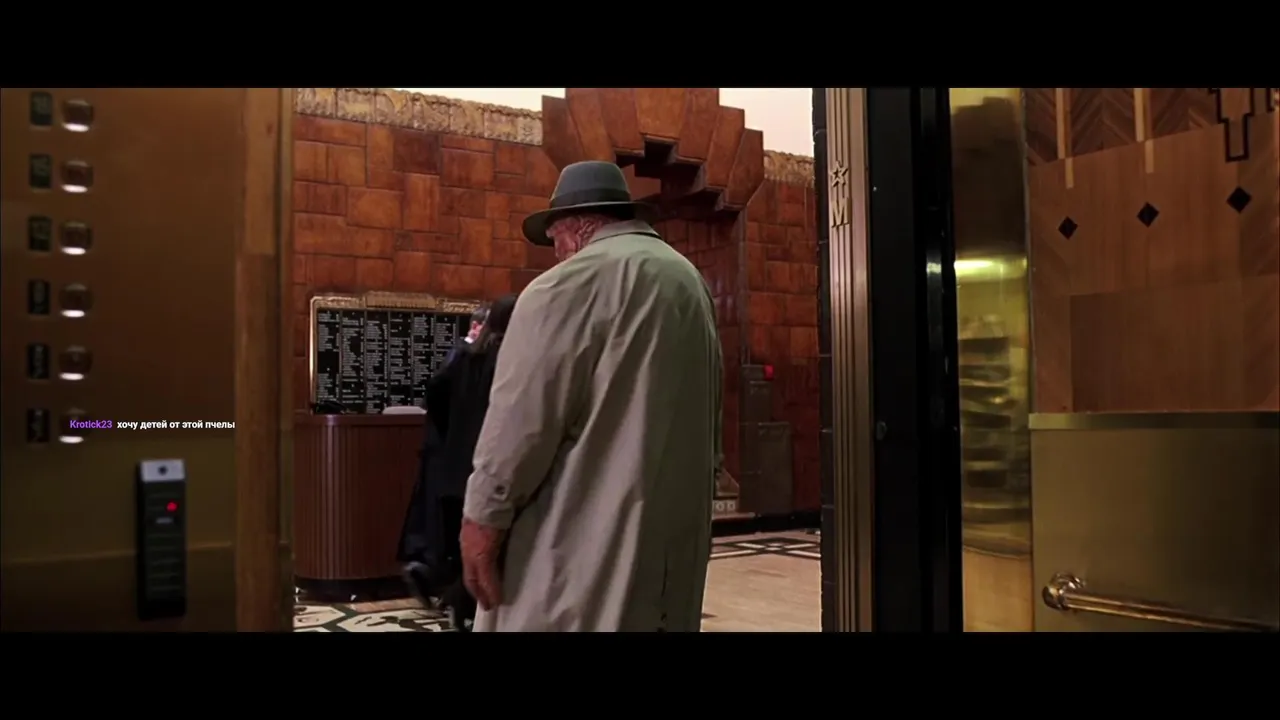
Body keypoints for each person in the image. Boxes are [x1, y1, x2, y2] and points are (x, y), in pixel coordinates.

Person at [460, 161, 723, 632]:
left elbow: (521, 424)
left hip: (578, 557)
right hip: (670, 557)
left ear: (575, 226)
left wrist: (482, 517)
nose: (557, 254)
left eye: (555, 240)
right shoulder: (689, 282)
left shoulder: (566, 285)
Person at [412, 293, 518, 631]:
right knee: (492, 549)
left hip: (453, 468)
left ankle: (440, 584)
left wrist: (450, 434)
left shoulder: (464, 358)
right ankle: (461, 601)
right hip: (486, 466)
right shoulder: (511, 360)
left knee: (460, 546)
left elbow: (434, 391)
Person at [395, 302, 488, 610]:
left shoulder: (464, 356)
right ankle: (447, 587)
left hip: (446, 456)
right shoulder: (468, 356)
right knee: (453, 527)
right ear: (476, 326)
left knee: (445, 526)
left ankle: (434, 577)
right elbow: (437, 393)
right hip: (459, 456)